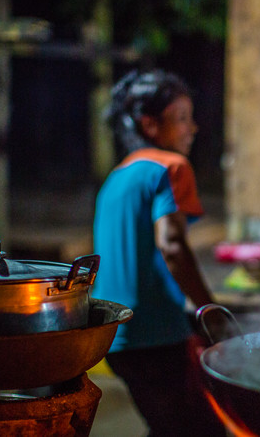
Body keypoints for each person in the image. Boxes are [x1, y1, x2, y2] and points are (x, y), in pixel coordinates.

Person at [92, 69, 226, 436]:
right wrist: (210, 312)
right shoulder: (172, 167)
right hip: (155, 336)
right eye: (181, 118)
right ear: (149, 124)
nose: (192, 128)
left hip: (113, 338)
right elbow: (172, 246)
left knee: (166, 425)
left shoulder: (115, 179)